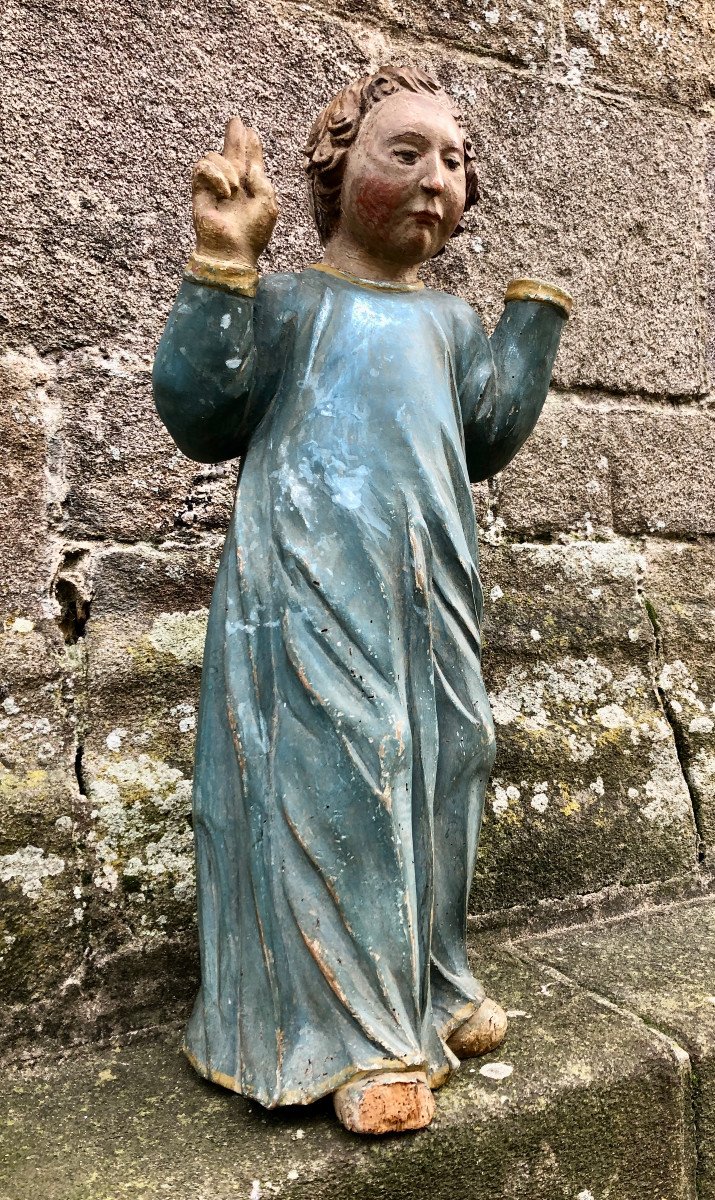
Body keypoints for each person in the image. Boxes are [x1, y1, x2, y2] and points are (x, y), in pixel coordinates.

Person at [153, 64, 571, 1135]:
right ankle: (355, 1039)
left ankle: (430, 982)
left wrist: (526, 332)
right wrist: (223, 264)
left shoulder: (442, 323)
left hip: (426, 585)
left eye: (458, 160)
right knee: (344, 771)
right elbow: (203, 412)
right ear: (339, 176)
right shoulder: (292, 301)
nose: (441, 177)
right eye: (408, 152)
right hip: (308, 578)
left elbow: (483, 438)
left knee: (447, 759)